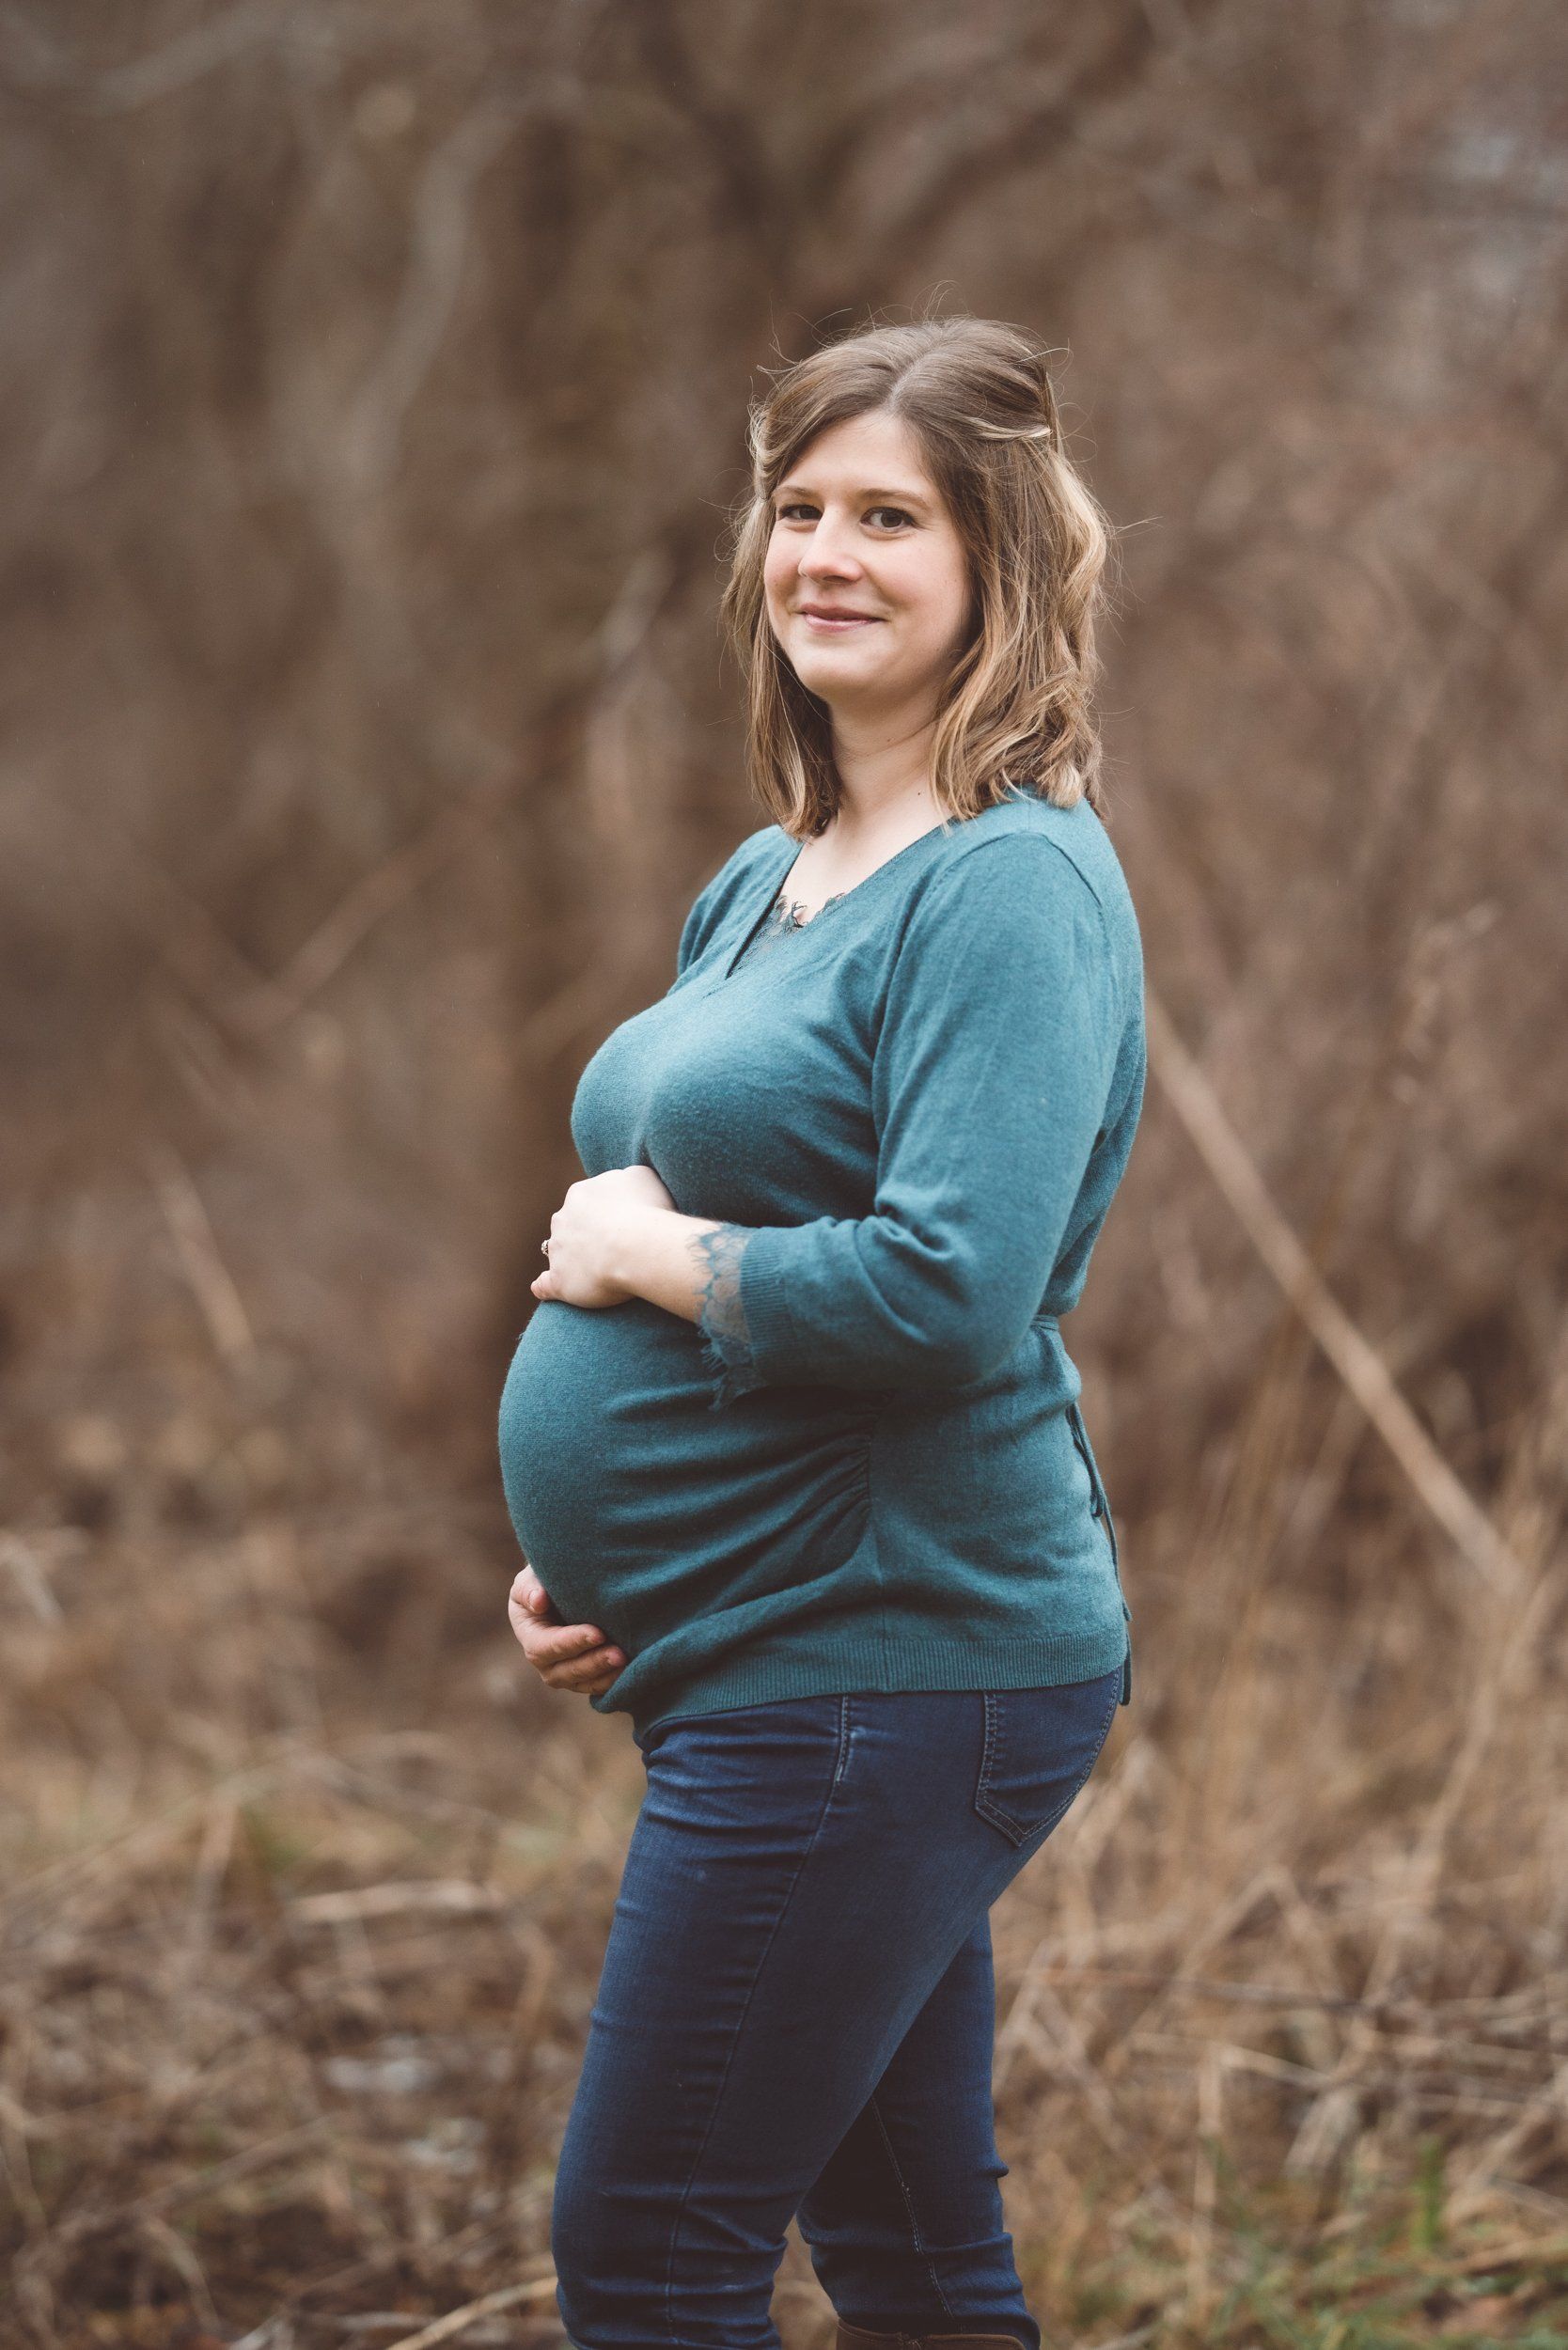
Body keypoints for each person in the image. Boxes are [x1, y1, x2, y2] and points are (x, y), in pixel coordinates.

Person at [498, 315, 1145, 2350]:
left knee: (654, 2248)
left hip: (893, 1661)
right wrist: (604, 1563)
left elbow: (950, 1292)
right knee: (915, 2258)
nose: (829, 556)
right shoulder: (768, 878)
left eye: (895, 516)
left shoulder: (1011, 886)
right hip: (766, 1647)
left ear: (1001, 567)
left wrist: (653, 1259)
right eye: (802, 510)